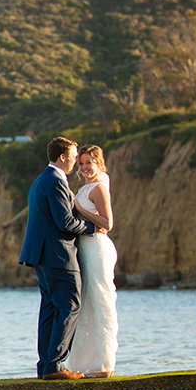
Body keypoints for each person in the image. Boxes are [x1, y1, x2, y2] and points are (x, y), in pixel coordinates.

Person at [18, 137, 95, 380]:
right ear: (63, 157)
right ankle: (56, 365)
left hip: (42, 254)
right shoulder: (55, 182)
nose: (75, 161)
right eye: (73, 157)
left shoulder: (41, 180)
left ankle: (46, 366)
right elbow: (65, 222)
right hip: (58, 254)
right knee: (70, 306)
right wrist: (92, 228)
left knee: (50, 309)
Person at [69, 145, 118, 377]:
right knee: (87, 301)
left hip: (97, 247)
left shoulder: (98, 188)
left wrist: (78, 208)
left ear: (99, 163)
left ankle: (102, 364)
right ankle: (87, 364)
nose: (85, 167)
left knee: (99, 300)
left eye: (90, 162)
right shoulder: (85, 187)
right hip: (85, 248)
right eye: (82, 163)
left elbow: (107, 223)